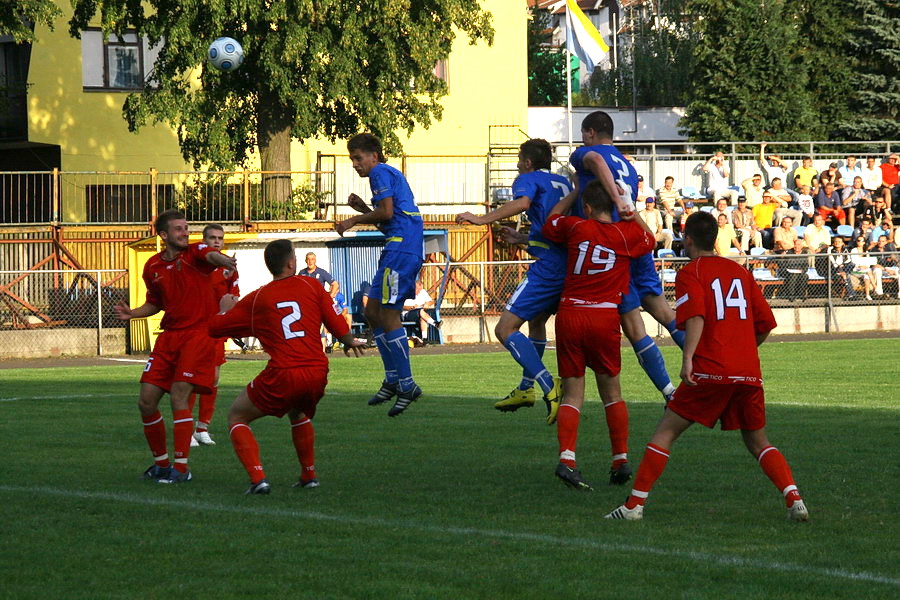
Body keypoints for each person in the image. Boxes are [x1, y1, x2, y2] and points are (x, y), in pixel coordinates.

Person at [605, 211, 808, 522]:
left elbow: (696, 316)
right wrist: (744, 349)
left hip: (711, 369)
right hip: (747, 371)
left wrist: (688, 358)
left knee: (665, 433)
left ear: (688, 239)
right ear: (715, 237)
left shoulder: (691, 272)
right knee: (758, 441)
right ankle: (794, 499)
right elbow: (766, 323)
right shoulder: (739, 271)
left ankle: (634, 507)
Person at [208, 239, 366, 494]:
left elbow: (215, 329)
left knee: (237, 416)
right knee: (299, 412)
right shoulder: (311, 284)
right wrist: (348, 340)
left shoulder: (259, 297)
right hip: (317, 371)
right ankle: (309, 475)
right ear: (292, 263)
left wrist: (225, 310)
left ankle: (259, 479)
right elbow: (337, 324)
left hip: (284, 373)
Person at [542, 179, 656, 490]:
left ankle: (567, 459)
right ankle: (620, 459)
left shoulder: (577, 227)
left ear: (588, 208)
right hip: (604, 316)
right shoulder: (625, 233)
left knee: (573, 393)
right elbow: (650, 238)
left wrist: (574, 193)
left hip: (570, 314)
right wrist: (629, 209)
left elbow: (550, 221)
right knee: (612, 393)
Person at [569, 111, 685, 405]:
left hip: (612, 241)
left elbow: (594, 161)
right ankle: (710, 365)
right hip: (634, 235)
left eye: (584, 134)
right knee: (664, 311)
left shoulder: (586, 153)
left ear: (591, 132)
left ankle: (670, 392)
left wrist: (615, 199)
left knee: (634, 326)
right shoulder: (628, 166)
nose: (582, 139)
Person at [114, 209, 237, 484]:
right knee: (146, 401)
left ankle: (181, 468)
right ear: (163, 235)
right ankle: (161, 464)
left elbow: (213, 256)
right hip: (168, 338)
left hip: (198, 335)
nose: (185, 233)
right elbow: (156, 303)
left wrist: (226, 260)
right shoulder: (153, 266)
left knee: (180, 395)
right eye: (179, 229)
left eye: (186, 227)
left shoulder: (196, 252)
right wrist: (132, 313)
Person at [456, 139, 570, 419]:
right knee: (537, 321)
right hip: (569, 263)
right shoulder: (563, 183)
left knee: (505, 329)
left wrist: (483, 219)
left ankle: (548, 384)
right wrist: (522, 238)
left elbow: (522, 202)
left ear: (528, 163)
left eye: (520, 159)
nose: (518, 164)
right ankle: (525, 387)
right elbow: (554, 231)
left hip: (550, 268)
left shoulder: (527, 179)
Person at [337, 133, 425, 417]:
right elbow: (391, 220)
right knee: (373, 312)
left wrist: (354, 219)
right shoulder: (388, 175)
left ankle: (407, 383)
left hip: (401, 251)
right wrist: (364, 210)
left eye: (358, 157)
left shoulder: (379, 173)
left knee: (388, 315)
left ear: (374, 156)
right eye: (352, 159)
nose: (355, 164)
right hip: (398, 246)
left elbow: (386, 213)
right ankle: (392, 378)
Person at [188, 223, 241, 447]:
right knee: (189, 378)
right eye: (212, 237)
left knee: (213, 378)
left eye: (220, 237)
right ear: (203, 240)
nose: (217, 241)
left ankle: (202, 428)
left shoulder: (229, 266)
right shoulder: (195, 263)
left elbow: (234, 295)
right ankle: (187, 429)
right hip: (192, 327)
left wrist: (227, 311)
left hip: (216, 328)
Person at [299, 251, 336, 351]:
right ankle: (308, 350)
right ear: (305, 260)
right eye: (308, 259)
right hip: (306, 306)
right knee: (306, 327)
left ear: (315, 260)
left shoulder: (321, 272)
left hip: (318, 305)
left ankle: (322, 352)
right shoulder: (302, 273)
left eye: (312, 259)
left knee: (320, 328)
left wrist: (330, 296)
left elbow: (335, 284)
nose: (310, 261)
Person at [402, 278, 438, 346]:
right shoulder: (405, 293)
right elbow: (401, 306)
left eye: (420, 289)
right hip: (408, 314)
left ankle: (424, 340)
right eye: (418, 289)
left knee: (423, 318)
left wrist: (427, 304)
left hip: (420, 314)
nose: (419, 291)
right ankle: (434, 323)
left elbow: (431, 301)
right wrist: (411, 307)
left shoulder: (422, 292)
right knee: (420, 311)